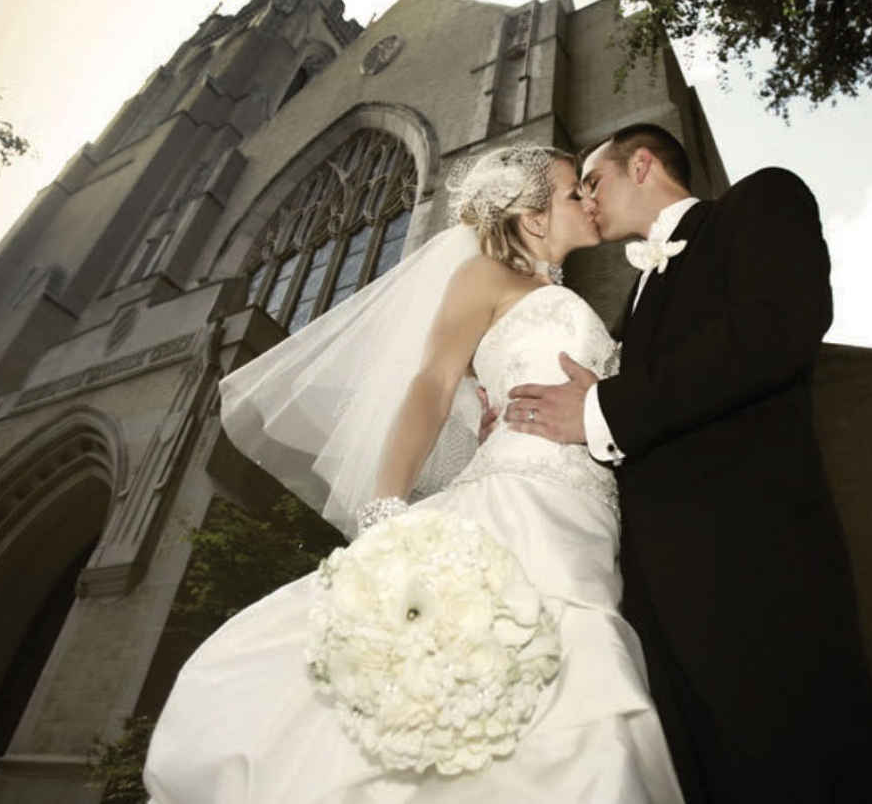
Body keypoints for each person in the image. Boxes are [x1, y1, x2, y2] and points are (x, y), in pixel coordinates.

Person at [143, 145, 685, 803]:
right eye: (575, 191)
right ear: (535, 217)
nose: (589, 201)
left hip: (591, 512)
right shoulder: (486, 275)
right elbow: (431, 387)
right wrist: (382, 514)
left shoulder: (565, 296)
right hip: (521, 499)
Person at [504, 124, 872, 802]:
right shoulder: (628, 304)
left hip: (754, 571)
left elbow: (776, 330)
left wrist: (603, 410)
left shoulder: (760, 203)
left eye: (592, 181)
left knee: (802, 768)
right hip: (652, 604)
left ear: (643, 163)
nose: (586, 200)